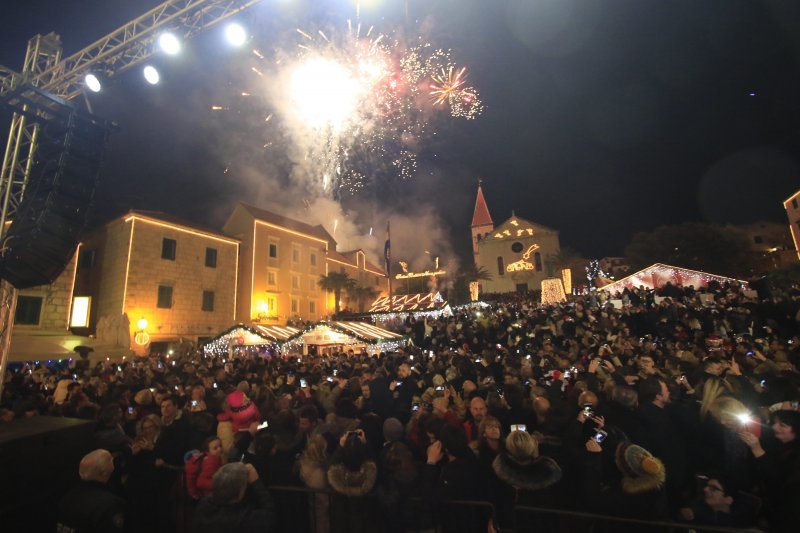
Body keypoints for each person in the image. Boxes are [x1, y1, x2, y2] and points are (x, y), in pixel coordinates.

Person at [740, 409, 800, 532]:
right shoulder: (775, 443)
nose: (774, 427)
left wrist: (757, 450)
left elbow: (781, 479)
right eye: (774, 423)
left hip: (790, 511)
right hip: (771, 505)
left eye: (782, 425)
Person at [192, 462, 276, 533]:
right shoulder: (247, 520)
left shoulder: (204, 506)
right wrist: (256, 482)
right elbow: (270, 513)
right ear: (240, 493)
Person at [57, 449, 127, 533]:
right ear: (104, 472)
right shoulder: (110, 505)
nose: (113, 460)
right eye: (110, 459)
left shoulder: (66, 498)